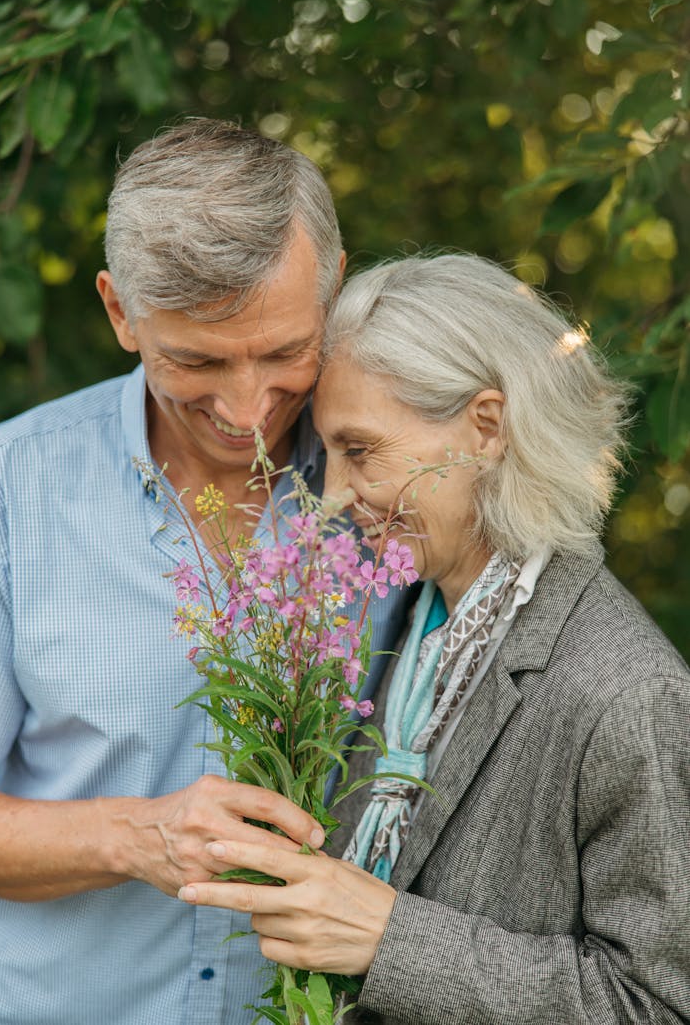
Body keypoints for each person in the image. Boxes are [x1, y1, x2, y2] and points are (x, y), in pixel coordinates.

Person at [180, 254, 690, 1024]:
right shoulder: (401, 624)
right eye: (329, 456)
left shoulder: (626, 690)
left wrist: (391, 941)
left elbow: (657, 1003)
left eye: (359, 450)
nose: (334, 497)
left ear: (485, 428)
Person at [0, 120, 406, 1025]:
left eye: (286, 351)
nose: (248, 405)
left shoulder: (410, 490)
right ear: (117, 312)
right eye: (196, 360)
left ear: (333, 288)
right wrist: (134, 837)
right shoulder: (7, 492)